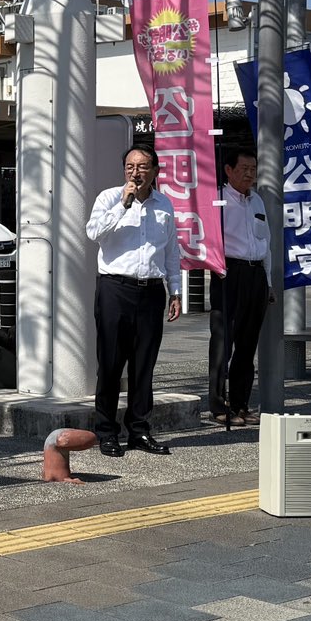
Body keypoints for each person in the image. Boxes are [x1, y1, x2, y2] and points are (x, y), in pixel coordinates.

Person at [87, 144, 183, 458]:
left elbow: (171, 251)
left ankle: (139, 430)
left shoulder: (164, 205)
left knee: (144, 365)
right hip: (115, 288)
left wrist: (176, 290)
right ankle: (106, 431)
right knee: (111, 363)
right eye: (130, 166)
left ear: (155, 171)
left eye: (142, 166)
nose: (135, 172)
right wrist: (122, 205)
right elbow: (93, 233)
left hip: (152, 291)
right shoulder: (109, 198)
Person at [209, 144, 272, 429]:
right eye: (244, 169)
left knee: (248, 345)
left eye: (253, 169)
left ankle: (240, 404)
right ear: (228, 170)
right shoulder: (217, 200)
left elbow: (266, 243)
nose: (249, 174)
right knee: (223, 343)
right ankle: (218, 405)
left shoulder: (257, 201)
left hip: (255, 273)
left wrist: (268, 282)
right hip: (228, 272)